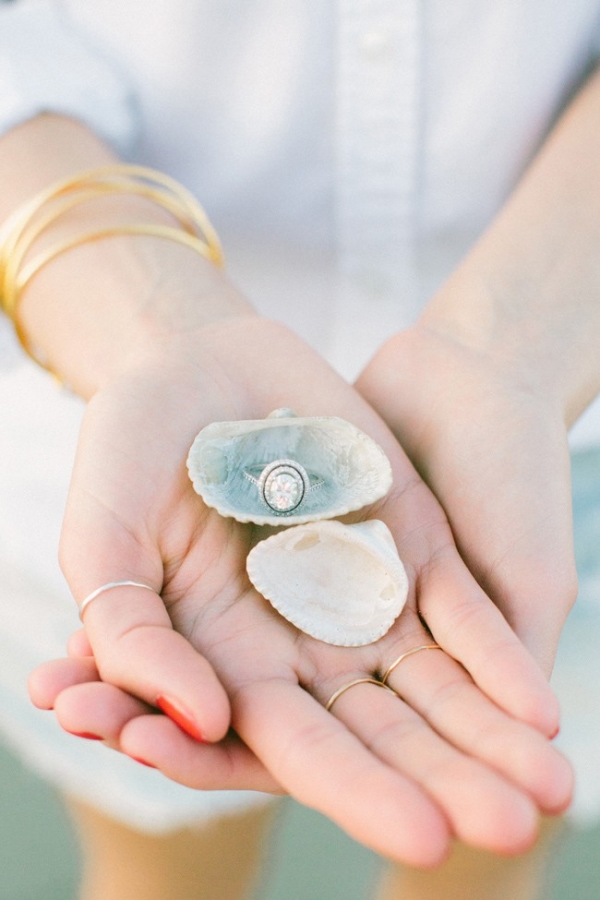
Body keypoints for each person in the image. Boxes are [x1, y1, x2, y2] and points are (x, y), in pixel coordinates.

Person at [1, 1, 599, 898]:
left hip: (554, 455)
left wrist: (516, 347)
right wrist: (148, 328)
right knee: (164, 859)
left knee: (485, 827)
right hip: (105, 439)